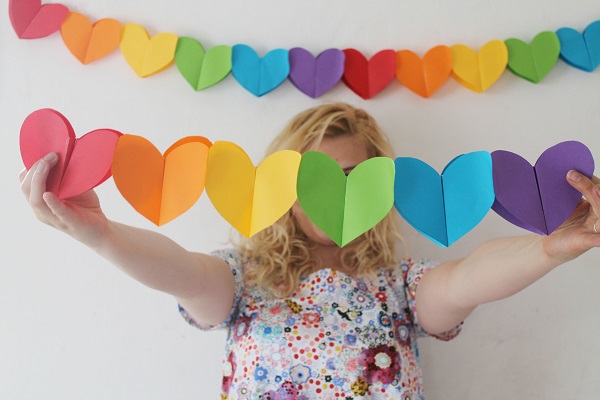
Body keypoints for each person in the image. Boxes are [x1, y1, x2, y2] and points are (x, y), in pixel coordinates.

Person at [19, 103, 600, 399]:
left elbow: (470, 277)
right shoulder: (243, 279)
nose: (333, 197)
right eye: (312, 179)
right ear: (280, 188)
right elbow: (181, 272)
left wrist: (551, 248)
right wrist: (99, 233)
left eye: (352, 177)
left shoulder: (397, 284)